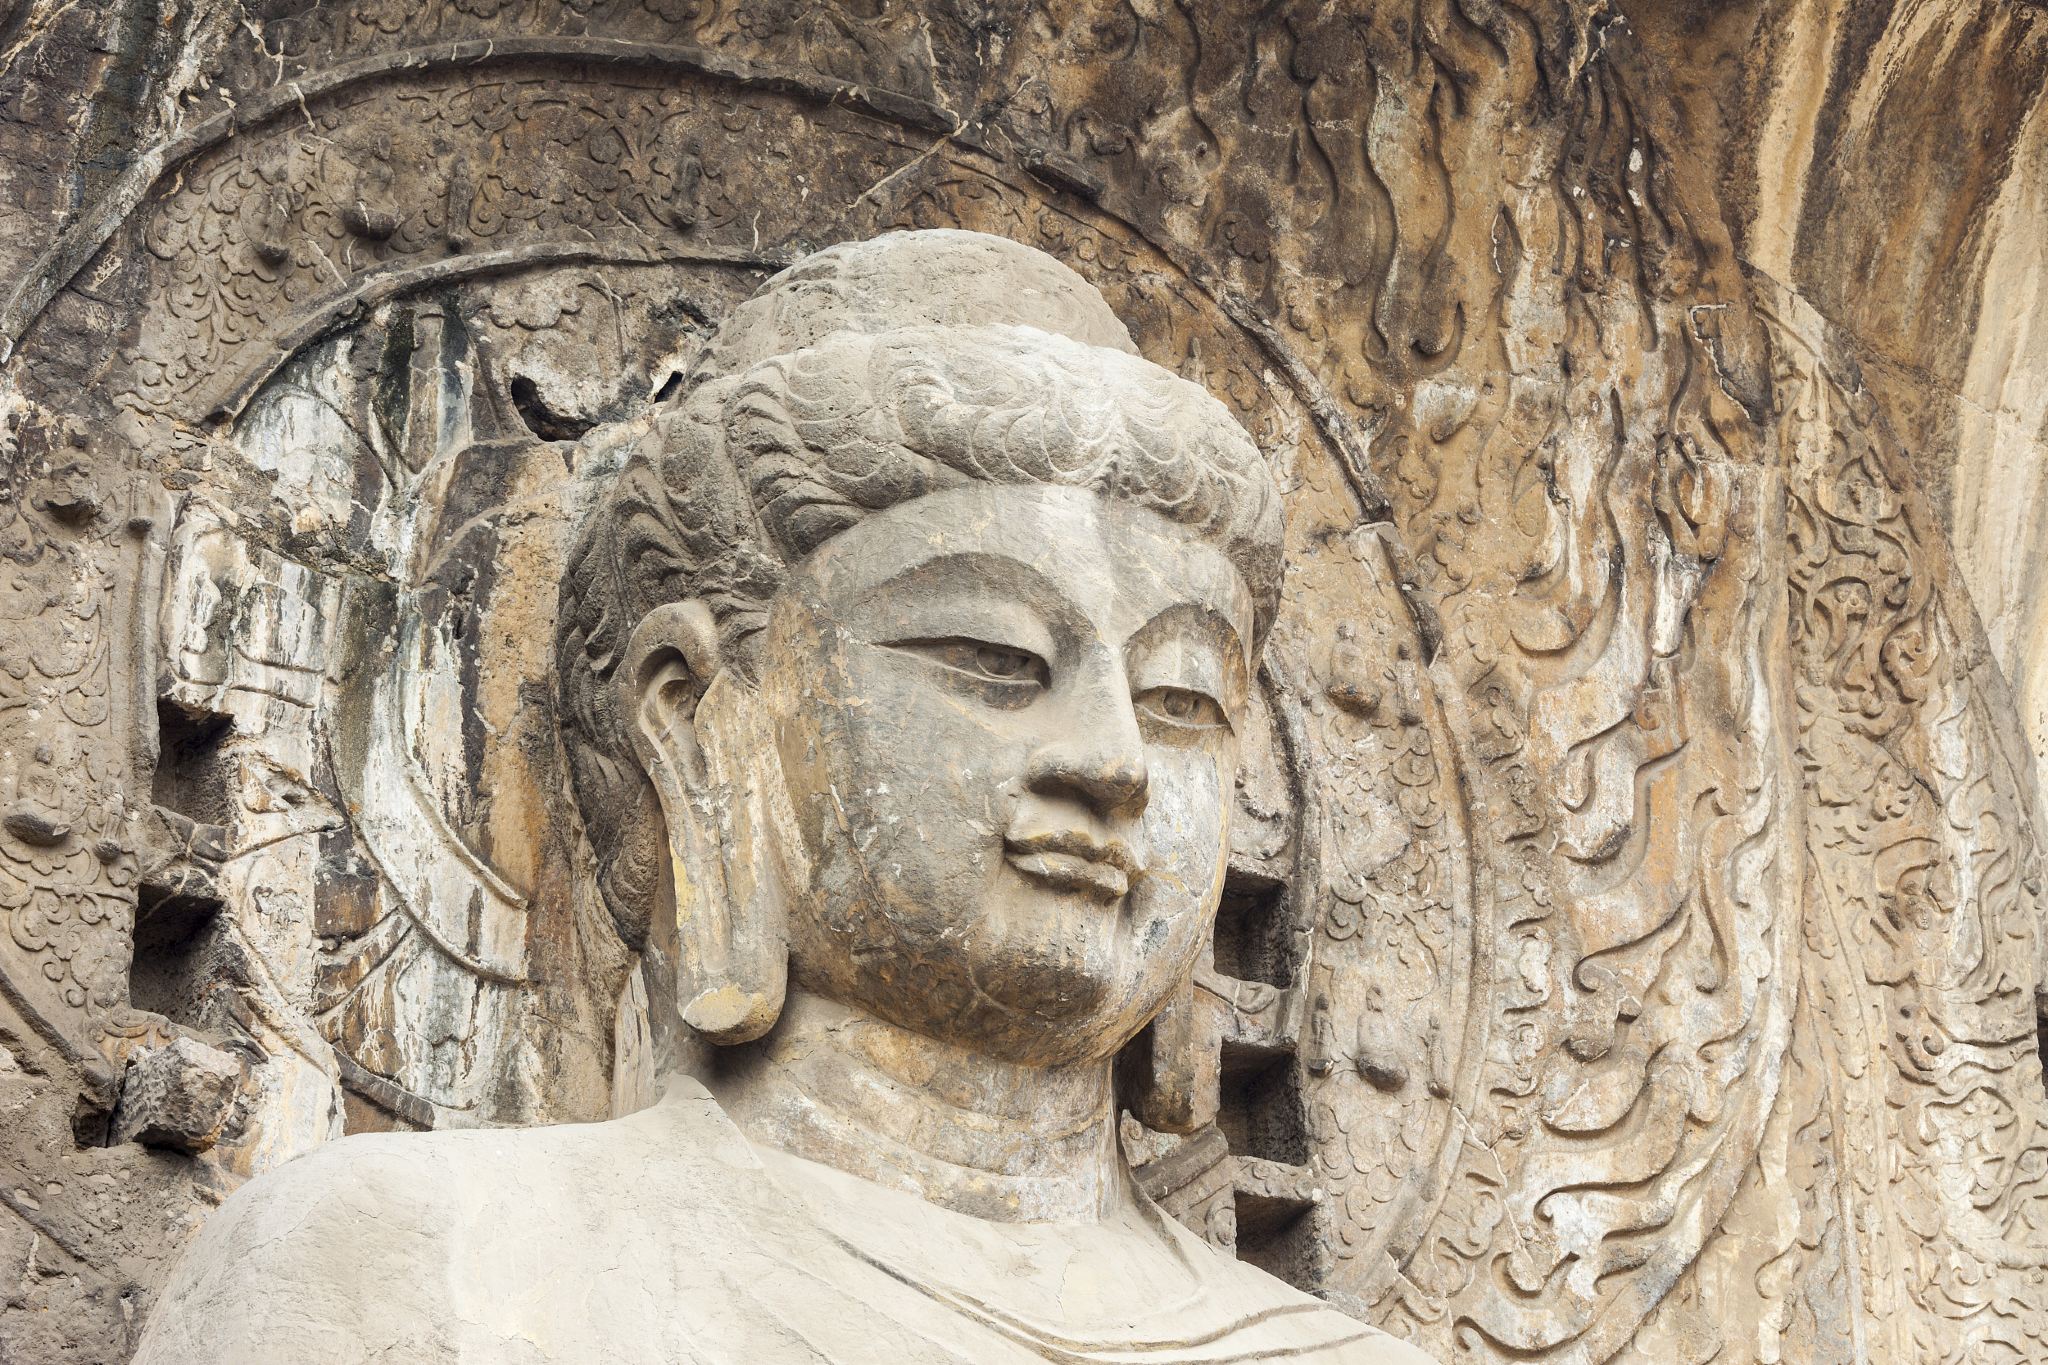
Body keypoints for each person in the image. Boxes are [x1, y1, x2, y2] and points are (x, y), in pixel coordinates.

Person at [131, 230, 1437, 1364]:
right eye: (994, 658)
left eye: (1180, 702)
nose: (1112, 761)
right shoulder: (401, 1268)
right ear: (699, 716)